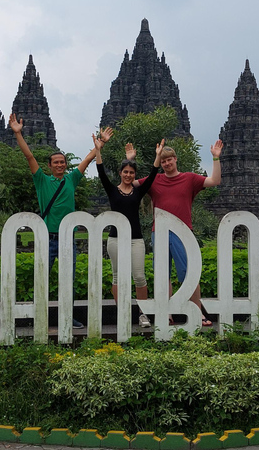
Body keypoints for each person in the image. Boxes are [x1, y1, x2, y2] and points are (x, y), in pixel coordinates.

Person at [9, 112, 96, 329]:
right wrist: (18, 134)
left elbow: (87, 160)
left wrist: (100, 144)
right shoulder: (41, 181)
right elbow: (29, 157)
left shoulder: (72, 179)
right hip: (47, 238)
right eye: (56, 162)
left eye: (62, 162)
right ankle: (42, 316)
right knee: (43, 279)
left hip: (68, 238)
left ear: (66, 165)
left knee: (69, 280)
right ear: (49, 166)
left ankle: (68, 316)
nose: (59, 165)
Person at [130, 139, 223, 326]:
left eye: (169, 160)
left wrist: (215, 159)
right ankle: (167, 314)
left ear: (175, 159)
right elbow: (131, 183)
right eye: (163, 161)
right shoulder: (155, 180)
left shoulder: (190, 178)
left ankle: (198, 312)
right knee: (163, 275)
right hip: (161, 232)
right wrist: (131, 160)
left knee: (189, 273)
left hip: (183, 233)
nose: (167, 163)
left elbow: (215, 181)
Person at [93, 128, 163, 328]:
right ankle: (122, 311)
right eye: (125, 172)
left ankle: (143, 314)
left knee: (139, 277)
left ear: (134, 175)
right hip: (115, 239)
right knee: (117, 276)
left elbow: (152, 176)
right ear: (120, 173)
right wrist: (98, 150)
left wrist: (157, 157)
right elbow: (100, 171)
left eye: (131, 173)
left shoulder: (138, 192)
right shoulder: (112, 190)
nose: (128, 175)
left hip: (135, 239)